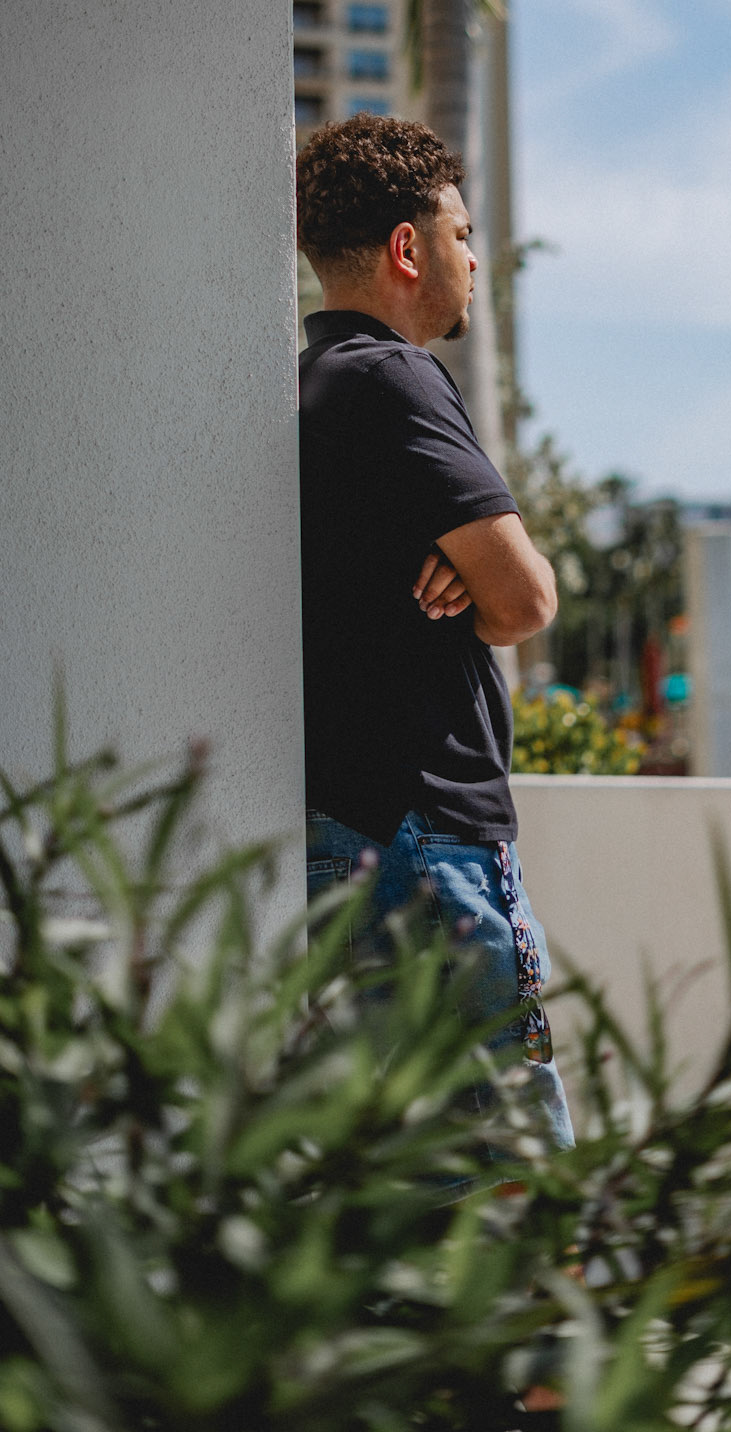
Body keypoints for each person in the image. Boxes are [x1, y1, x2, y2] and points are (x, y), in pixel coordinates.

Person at [296, 112, 573, 1148]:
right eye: (461, 234)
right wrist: (482, 570)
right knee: (505, 1171)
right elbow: (526, 602)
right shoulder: (392, 376)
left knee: (391, 1173)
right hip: (428, 843)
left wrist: (467, 564)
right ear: (408, 248)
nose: (473, 258)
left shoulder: (312, 383)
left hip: (351, 833)